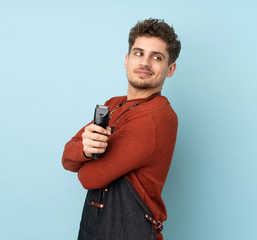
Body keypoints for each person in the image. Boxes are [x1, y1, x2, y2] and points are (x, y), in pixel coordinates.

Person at [62, 18, 181, 240]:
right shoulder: (113, 103)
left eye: (157, 57)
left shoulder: (155, 117)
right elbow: (67, 158)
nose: (145, 63)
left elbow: (89, 178)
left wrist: (84, 155)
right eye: (138, 53)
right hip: (93, 228)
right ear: (127, 60)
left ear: (170, 69)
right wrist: (85, 151)